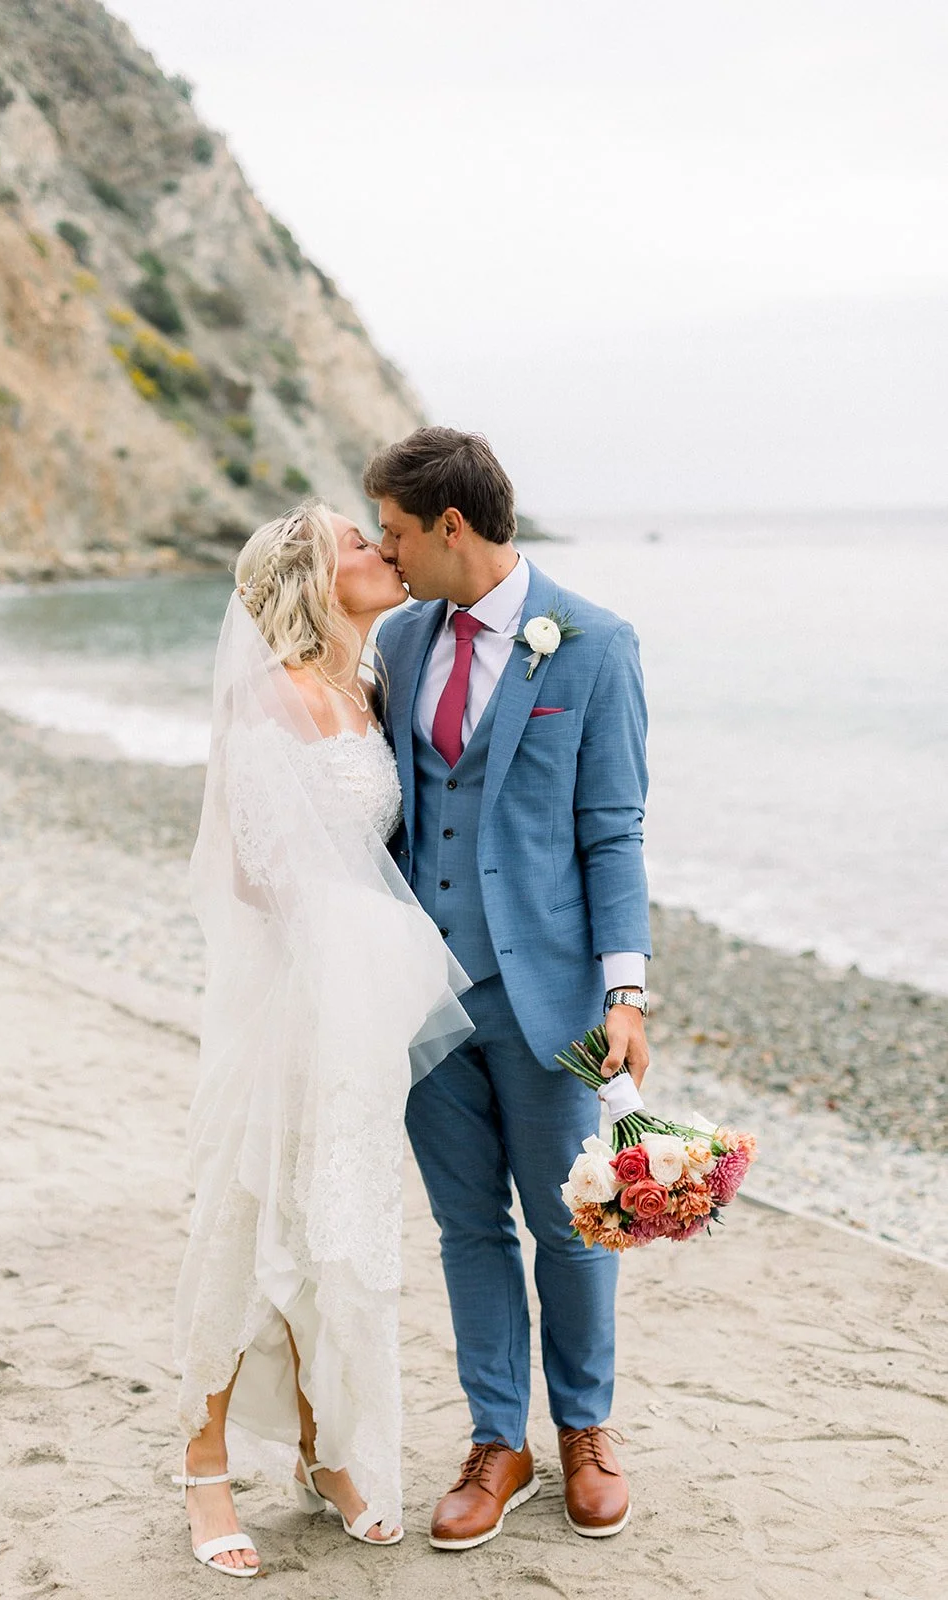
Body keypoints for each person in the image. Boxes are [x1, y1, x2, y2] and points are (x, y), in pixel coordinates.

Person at [365, 427, 652, 1549]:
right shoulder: (397, 635)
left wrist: (625, 996)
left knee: (571, 1224)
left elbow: (612, 830)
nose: (384, 554)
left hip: (547, 997)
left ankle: (584, 1426)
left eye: (394, 532)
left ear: (450, 526)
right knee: (463, 1227)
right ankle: (499, 1438)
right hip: (418, 993)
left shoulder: (592, 644)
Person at [173, 501, 471, 1576]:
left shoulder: (366, 685)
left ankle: (323, 1452)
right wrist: (351, 933)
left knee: (340, 1226)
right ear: (309, 579)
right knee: (255, 1225)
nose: (381, 552)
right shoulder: (271, 702)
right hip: (297, 995)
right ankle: (204, 1466)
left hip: (365, 1006)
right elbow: (256, 871)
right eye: (358, 542)